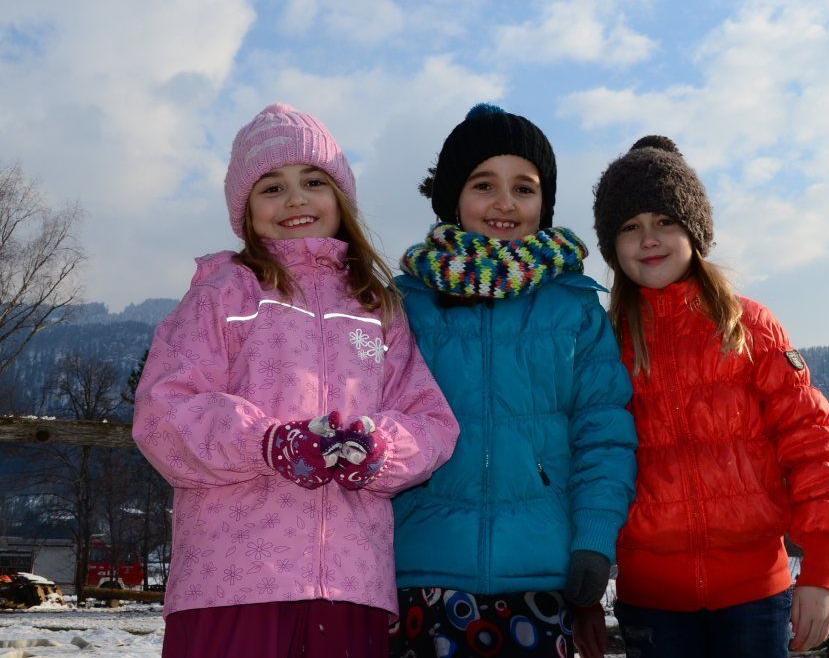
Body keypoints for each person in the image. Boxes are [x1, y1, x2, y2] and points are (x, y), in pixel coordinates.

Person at [133, 103, 459, 658]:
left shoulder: (376, 308)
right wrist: (267, 444)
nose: (295, 200)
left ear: (341, 195)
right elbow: (163, 413)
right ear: (245, 208)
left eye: (313, 181)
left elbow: (431, 422)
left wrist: (380, 450)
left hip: (352, 584)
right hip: (230, 580)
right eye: (272, 187)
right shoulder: (224, 293)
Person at [576, 135, 829, 658]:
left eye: (665, 220)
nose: (648, 238)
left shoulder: (750, 327)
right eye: (630, 226)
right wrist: (585, 595)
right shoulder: (603, 343)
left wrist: (822, 567)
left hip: (756, 596)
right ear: (613, 246)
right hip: (652, 603)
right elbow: (586, 466)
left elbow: (811, 443)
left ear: (694, 229)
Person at [388, 103, 637, 658]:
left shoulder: (574, 309)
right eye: (484, 185)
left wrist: (594, 540)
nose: (505, 203)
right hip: (422, 570)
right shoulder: (406, 306)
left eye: (524, 188)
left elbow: (604, 435)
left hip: (540, 579)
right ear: (453, 197)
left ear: (544, 203)